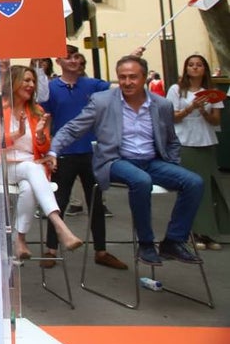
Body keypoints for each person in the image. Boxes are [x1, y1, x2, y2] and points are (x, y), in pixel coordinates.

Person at [50, 55, 204, 265]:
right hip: (115, 161)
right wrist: (53, 150)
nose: (127, 82)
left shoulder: (162, 104)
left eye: (133, 77)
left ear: (144, 78)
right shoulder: (102, 101)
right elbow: (73, 128)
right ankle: (146, 243)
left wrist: (172, 165)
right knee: (141, 180)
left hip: (152, 162)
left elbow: (171, 140)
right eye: (122, 77)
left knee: (194, 182)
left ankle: (174, 241)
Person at [40, 46, 127, 270]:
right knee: (58, 202)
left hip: (92, 151)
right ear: (59, 61)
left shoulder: (94, 85)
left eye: (77, 56)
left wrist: (133, 58)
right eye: (69, 56)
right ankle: (51, 249)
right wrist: (48, 150)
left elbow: (119, 87)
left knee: (96, 202)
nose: (74, 60)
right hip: (64, 153)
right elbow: (45, 117)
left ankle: (101, 250)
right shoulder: (50, 88)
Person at [3, 65, 83, 259]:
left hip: (29, 165)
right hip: (2, 165)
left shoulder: (37, 110)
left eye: (33, 82)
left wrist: (39, 136)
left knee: (29, 188)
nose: (31, 85)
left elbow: (42, 148)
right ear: (13, 82)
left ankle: (19, 238)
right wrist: (18, 133)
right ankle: (59, 225)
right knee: (32, 168)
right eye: (26, 80)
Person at [166, 53, 228, 250]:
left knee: (209, 188)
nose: (195, 68)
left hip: (206, 142)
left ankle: (209, 232)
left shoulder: (211, 92)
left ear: (204, 69)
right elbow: (171, 117)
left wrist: (202, 110)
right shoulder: (176, 90)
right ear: (185, 69)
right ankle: (194, 231)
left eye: (199, 65)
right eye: (191, 64)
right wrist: (191, 107)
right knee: (192, 186)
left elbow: (216, 120)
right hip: (185, 142)